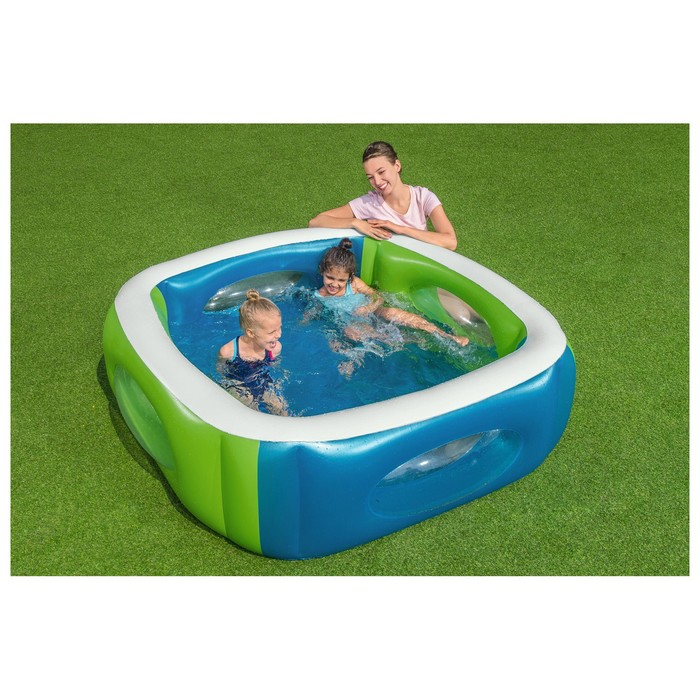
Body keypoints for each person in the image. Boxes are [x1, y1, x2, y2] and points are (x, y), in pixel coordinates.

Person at [314, 238, 469, 350]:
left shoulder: (354, 283)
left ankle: (446, 335)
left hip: (374, 311)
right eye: (330, 278)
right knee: (353, 333)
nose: (334, 284)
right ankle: (414, 339)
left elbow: (377, 296)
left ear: (349, 277)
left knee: (393, 313)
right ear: (322, 272)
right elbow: (323, 316)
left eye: (341, 280)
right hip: (353, 321)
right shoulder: (320, 295)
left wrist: (368, 308)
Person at [308, 141, 458, 251]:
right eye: (370, 177)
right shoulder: (370, 203)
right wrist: (355, 222)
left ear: (397, 166)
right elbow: (315, 222)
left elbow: (450, 241)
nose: (377, 182)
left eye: (381, 172)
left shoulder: (423, 197)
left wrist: (401, 229)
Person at [217, 290, 287, 415]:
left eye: (279, 328)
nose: (279, 335)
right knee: (250, 406)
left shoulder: (275, 348)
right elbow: (220, 372)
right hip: (237, 382)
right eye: (272, 332)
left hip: (262, 380)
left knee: (280, 408)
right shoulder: (228, 352)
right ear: (251, 333)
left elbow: (273, 367)